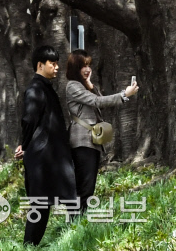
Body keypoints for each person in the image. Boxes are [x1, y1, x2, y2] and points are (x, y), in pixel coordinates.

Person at [14, 44, 77, 245]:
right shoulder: (35, 89)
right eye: (53, 63)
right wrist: (24, 146)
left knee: (69, 197)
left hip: (54, 154)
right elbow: (29, 119)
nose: (57, 67)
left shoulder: (45, 88)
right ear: (40, 65)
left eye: (58, 63)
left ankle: (74, 238)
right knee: (40, 203)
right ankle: (29, 245)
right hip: (42, 156)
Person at [66, 49, 139, 212]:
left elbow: (95, 98)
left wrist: (90, 84)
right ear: (74, 68)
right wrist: (124, 95)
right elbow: (97, 101)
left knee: (87, 185)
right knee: (84, 186)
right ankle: (76, 222)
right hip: (82, 141)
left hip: (89, 140)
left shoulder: (82, 86)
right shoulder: (72, 86)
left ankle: (78, 221)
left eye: (89, 65)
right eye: (83, 66)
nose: (87, 69)